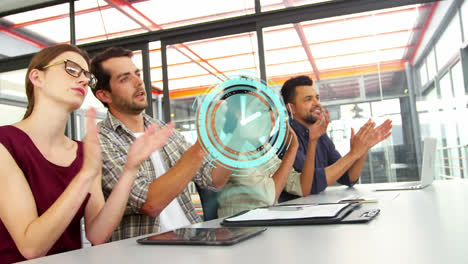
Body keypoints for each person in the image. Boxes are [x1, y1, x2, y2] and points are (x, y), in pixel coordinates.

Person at [0, 44, 174, 263]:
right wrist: (86, 174)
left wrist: (130, 168)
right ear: (37, 77)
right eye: (71, 69)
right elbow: (31, 247)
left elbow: (98, 233)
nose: (83, 80)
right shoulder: (5, 144)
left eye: (87, 76)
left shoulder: (83, 152)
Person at [90, 47, 232, 241]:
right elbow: (150, 203)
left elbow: (214, 179)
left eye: (137, 74)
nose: (138, 82)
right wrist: (203, 144)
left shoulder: (163, 129)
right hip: (144, 255)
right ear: (104, 96)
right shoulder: (100, 141)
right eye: (124, 78)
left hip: (192, 240)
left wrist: (235, 137)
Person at [216, 89, 328, 217]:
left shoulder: (262, 146)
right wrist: (291, 149)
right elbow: (269, 195)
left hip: (265, 224)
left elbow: (302, 187)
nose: (271, 116)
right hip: (240, 229)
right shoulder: (230, 150)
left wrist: (311, 141)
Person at [279, 75, 392, 201]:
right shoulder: (285, 139)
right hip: (295, 214)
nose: (317, 103)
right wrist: (353, 154)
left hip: (317, 208)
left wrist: (363, 148)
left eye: (317, 98)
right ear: (291, 108)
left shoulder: (321, 135)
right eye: (308, 99)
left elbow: (348, 177)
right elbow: (311, 185)